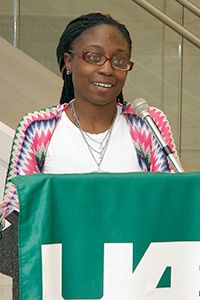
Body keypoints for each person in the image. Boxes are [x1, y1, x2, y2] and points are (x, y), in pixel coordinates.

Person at [0, 12, 180, 300]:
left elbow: (172, 206)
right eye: (94, 57)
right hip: (60, 282)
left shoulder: (148, 124)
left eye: (119, 61)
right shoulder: (38, 128)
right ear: (68, 62)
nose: (108, 69)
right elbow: (11, 218)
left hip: (136, 281)